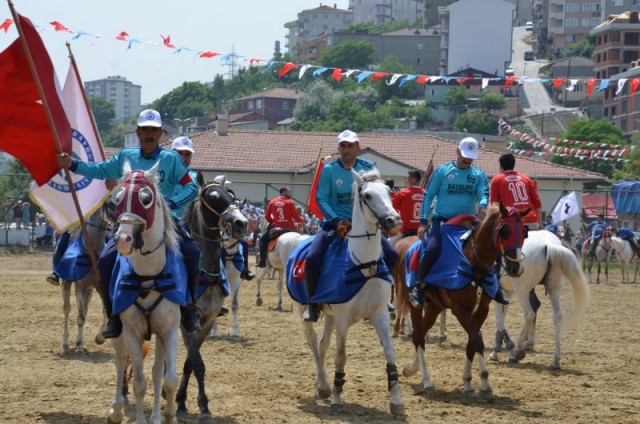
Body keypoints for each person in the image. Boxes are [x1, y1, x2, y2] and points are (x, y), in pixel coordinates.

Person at [57, 109, 200, 338]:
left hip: (165, 222)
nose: (149, 134)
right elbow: (100, 170)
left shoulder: (172, 159)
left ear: (161, 133)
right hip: (129, 224)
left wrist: (172, 203)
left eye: (154, 130)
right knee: (104, 260)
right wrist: (73, 165)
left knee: (193, 252)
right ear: (138, 132)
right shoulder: (125, 156)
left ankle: (189, 309)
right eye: (145, 130)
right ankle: (113, 314)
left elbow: (192, 187)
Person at [302, 129, 398, 322]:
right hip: (334, 224)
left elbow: (378, 195)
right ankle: (312, 304)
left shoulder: (368, 167)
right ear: (338, 148)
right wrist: (337, 220)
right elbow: (321, 199)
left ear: (358, 147)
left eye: (350, 146)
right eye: (343, 146)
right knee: (312, 258)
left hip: (363, 224)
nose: (347, 150)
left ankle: (384, 298)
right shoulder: (329, 170)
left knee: (392, 255)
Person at [410, 137, 509, 308]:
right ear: (457, 151)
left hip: (467, 224)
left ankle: (494, 286)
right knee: (432, 249)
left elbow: (483, 193)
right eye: (465, 155)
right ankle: (419, 286)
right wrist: (423, 223)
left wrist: (483, 206)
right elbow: (428, 195)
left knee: (489, 249)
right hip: (442, 223)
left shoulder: (478, 175)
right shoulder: (442, 171)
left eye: (471, 156)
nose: (467, 159)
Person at [490, 153, 543, 229]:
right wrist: (540, 222)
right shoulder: (526, 178)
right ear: (514, 164)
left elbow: (494, 205)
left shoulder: (497, 179)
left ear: (501, 166)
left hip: (510, 221)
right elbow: (537, 203)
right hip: (531, 221)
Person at [258, 187, 304, 268]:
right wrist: (302, 219)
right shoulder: (290, 202)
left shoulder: (272, 202)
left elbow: (267, 216)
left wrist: (274, 221)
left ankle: (263, 261)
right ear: (284, 192)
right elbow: (297, 218)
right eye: (289, 192)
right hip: (290, 229)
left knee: (262, 241)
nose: (290, 194)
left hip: (277, 229)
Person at [389, 169, 424, 245]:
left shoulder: (403, 193)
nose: (407, 180)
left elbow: (392, 209)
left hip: (405, 229)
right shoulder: (426, 194)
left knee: (387, 246)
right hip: (421, 230)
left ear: (413, 179)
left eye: (408, 178)